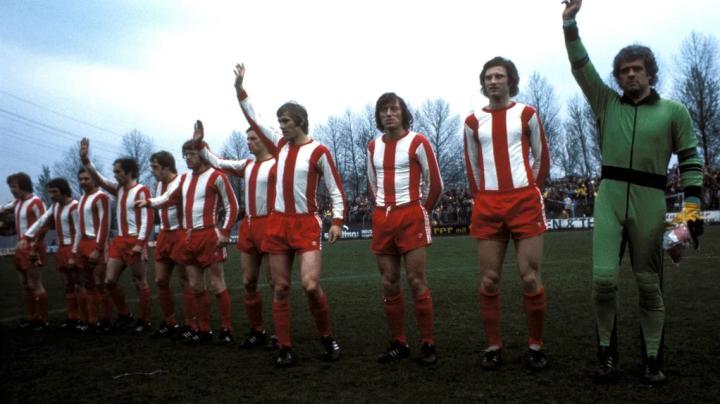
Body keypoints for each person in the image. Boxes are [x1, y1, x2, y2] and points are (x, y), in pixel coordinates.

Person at [562, 0, 704, 385]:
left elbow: (691, 163)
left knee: (648, 284)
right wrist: (569, 23)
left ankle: (652, 360)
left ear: (650, 73)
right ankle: (606, 356)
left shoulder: (674, 111)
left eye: (637, 69)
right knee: (603, 280)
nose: (630, 74)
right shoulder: (606, 103)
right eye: (624, 70)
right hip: (609, 198)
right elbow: (580, 67)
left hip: (650, 200)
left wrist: (690, 215)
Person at [233, 63, 345, 367]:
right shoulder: (278, 145)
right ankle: (285, 347)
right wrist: (240, 90)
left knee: (310, 285)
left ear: (300, 122)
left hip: (306, 223)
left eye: (285, 121)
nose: (280, 126)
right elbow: (253, 119)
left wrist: (337, 221)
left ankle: (327, 337)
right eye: (279, 122)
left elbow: (336, 189)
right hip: (277, 224)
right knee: (280, 288)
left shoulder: (319, 151)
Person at [463, 56, 550, 371]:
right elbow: (472, 165)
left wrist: (531, 189)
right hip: (488, 205)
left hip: (524, 201)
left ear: (510, 80)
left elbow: (542, 156)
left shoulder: (527, 114)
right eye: (488, 77)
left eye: (499, 76)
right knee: (489, 280)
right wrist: (481, 197)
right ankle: (493, 346)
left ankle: (536, 346)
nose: (493, 81)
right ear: (483, 83)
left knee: (529, 277)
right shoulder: (473, 122)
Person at [138, 134, 239, 345]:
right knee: (195, 286)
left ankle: (227, 329)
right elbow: (168, 198)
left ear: (203, 154)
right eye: (185, 154)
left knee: (217, 284)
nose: (188, 158)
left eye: (192, 153)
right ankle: (204, 330)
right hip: (189, 237)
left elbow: (232, 206)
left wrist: (225, 232)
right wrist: (149, 202)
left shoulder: (217, 176)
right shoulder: (184, 179)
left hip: (209, 236)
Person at [367, 92, 443, 366]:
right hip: (383, 218)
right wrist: (381, 207)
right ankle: (399, 343)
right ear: (379, 116)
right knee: (389, 282)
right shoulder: (373, 146)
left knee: (415, 280)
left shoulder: (418, 142)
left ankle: (428, 343)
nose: (388, 114)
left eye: (393, 109)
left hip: (411, 215)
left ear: (403, 113)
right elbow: (372, 183)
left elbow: (436, 184)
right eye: (383, 110)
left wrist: (422, 211)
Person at [195, 124, 278, 350]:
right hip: (249, 227)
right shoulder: (246, 165)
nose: (248, 142)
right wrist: (200, 144)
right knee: (248, 282)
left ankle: (280, 334)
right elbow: (218, 162)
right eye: (247, 138)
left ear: (265, 139)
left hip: (271, 226)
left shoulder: (278, 163)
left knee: (275, 283)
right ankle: (257, 331)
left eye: (253, 138)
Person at [80, 139, 154, 333]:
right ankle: (124, 314)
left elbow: (147, 219)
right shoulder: (118, 189)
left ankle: (145, 320)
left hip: (135, 241)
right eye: (114, 172)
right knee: (109, 281)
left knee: (140, 282)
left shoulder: (142, 190)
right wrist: (86, 160)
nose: (115, 175)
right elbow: (99, 179)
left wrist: (140, 243)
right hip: (119, 241)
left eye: (118, 171)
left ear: (129, 172)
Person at [148, 151, 197, 340]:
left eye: (155, 167)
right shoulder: (159, 184)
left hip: (179, 233)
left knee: (185, 280)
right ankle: (170, 323)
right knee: (160, 280)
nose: (152, 171)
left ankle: (192, 324)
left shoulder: (182, 180)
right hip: (164, 234)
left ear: (166, 167)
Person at [23, 178, 82, 331]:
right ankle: (72, 317)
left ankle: (83, 319)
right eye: (50, 192)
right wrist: (27, 236)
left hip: (73, 248)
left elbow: (79, 232)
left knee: (78, 284)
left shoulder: (74, 206)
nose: (52, 195)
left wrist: (74, 254)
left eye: (54, 191)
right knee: (67, 285)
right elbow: (42, 221)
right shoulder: (55, 206)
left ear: (64, 191)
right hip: (61, 249)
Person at [1, 173, 49, 331]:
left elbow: (44, 225)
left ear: (24, 185)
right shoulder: (16, 203)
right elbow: (2, 210)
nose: (12, 190)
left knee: (35, 283)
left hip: (33, 247)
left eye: (14, 186)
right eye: (10, 187)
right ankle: (31, 317)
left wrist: (35, 246)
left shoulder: (36, 202)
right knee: (25, 285)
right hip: (20, 247)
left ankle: (42, 319)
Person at [73, 167, 114, 333]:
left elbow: (105, 224)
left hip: (96, 243)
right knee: (88, 284)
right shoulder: (82, 198)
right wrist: (75, 249)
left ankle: (106, 320)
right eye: (81, 179)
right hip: (83, 244)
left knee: (99, 283)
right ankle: (93, 320)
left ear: (94, 180)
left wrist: (98, 248)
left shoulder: (102, 197)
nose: (83, 182)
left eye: (86, 179)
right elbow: (79, 227)